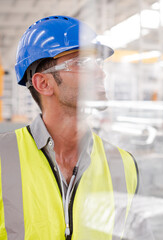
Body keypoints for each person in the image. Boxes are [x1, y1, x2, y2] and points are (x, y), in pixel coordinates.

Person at [0, 16, 139, 239]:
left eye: (98, 63)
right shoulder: (2, 158)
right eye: (81, 63)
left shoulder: (124, 164)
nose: (100, 73)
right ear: (43, 83)